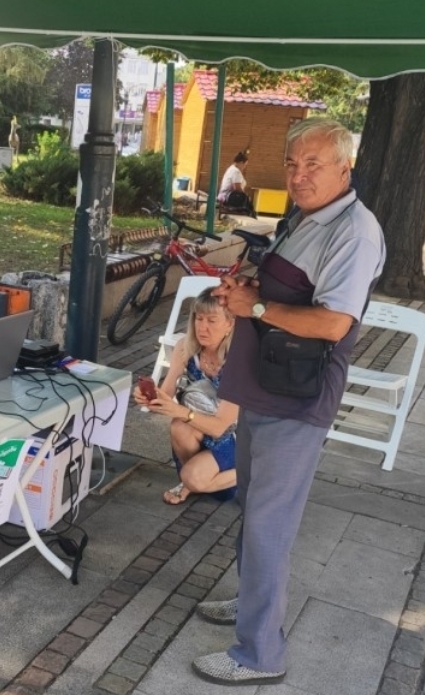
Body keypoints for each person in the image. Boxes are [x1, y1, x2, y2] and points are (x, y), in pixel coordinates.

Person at [191, 118, 385, 685]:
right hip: (264, 385)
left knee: (268, 523)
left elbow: (332, 322)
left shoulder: (355, 231)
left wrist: (253, 308)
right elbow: (283, 292)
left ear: (345, 167)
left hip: (296, 397)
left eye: (313, 165)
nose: (299, 176)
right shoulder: (306, 216)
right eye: (292, 163)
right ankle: (252, 602)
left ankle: (258, 655)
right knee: (253, 507)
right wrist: (248, 291)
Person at [133, 287, 238, 506]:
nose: (202, 327)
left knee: (209, 487)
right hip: (201, 426)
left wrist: (180, 411)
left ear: (230, 324)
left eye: (212, 320)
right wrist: (150, 397)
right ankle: (193, 480)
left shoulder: (238, 360)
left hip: (234, 436)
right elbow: (166, 393)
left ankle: (250, 473)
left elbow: (220, 428)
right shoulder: (186, 347)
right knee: (179, 427)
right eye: (199, 318)